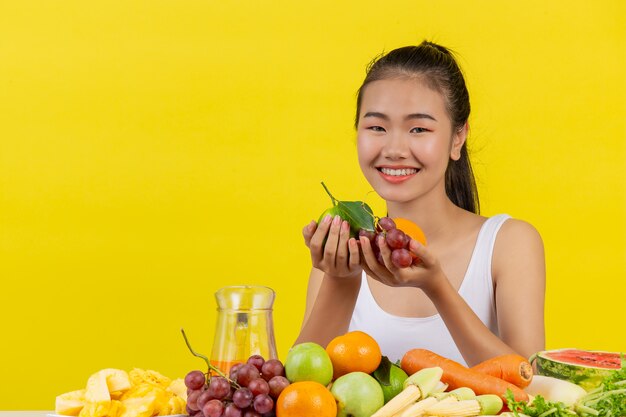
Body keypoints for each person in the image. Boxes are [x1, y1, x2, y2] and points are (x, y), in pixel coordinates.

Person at [295, 40, 545, 367]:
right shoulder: (343, 251)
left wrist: (436, 286)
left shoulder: (508, 243)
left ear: (458, 138)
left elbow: (534, 386)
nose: (395, 148)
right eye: (377, 127)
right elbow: (299, 393)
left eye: (418, 128)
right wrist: (342, 281)